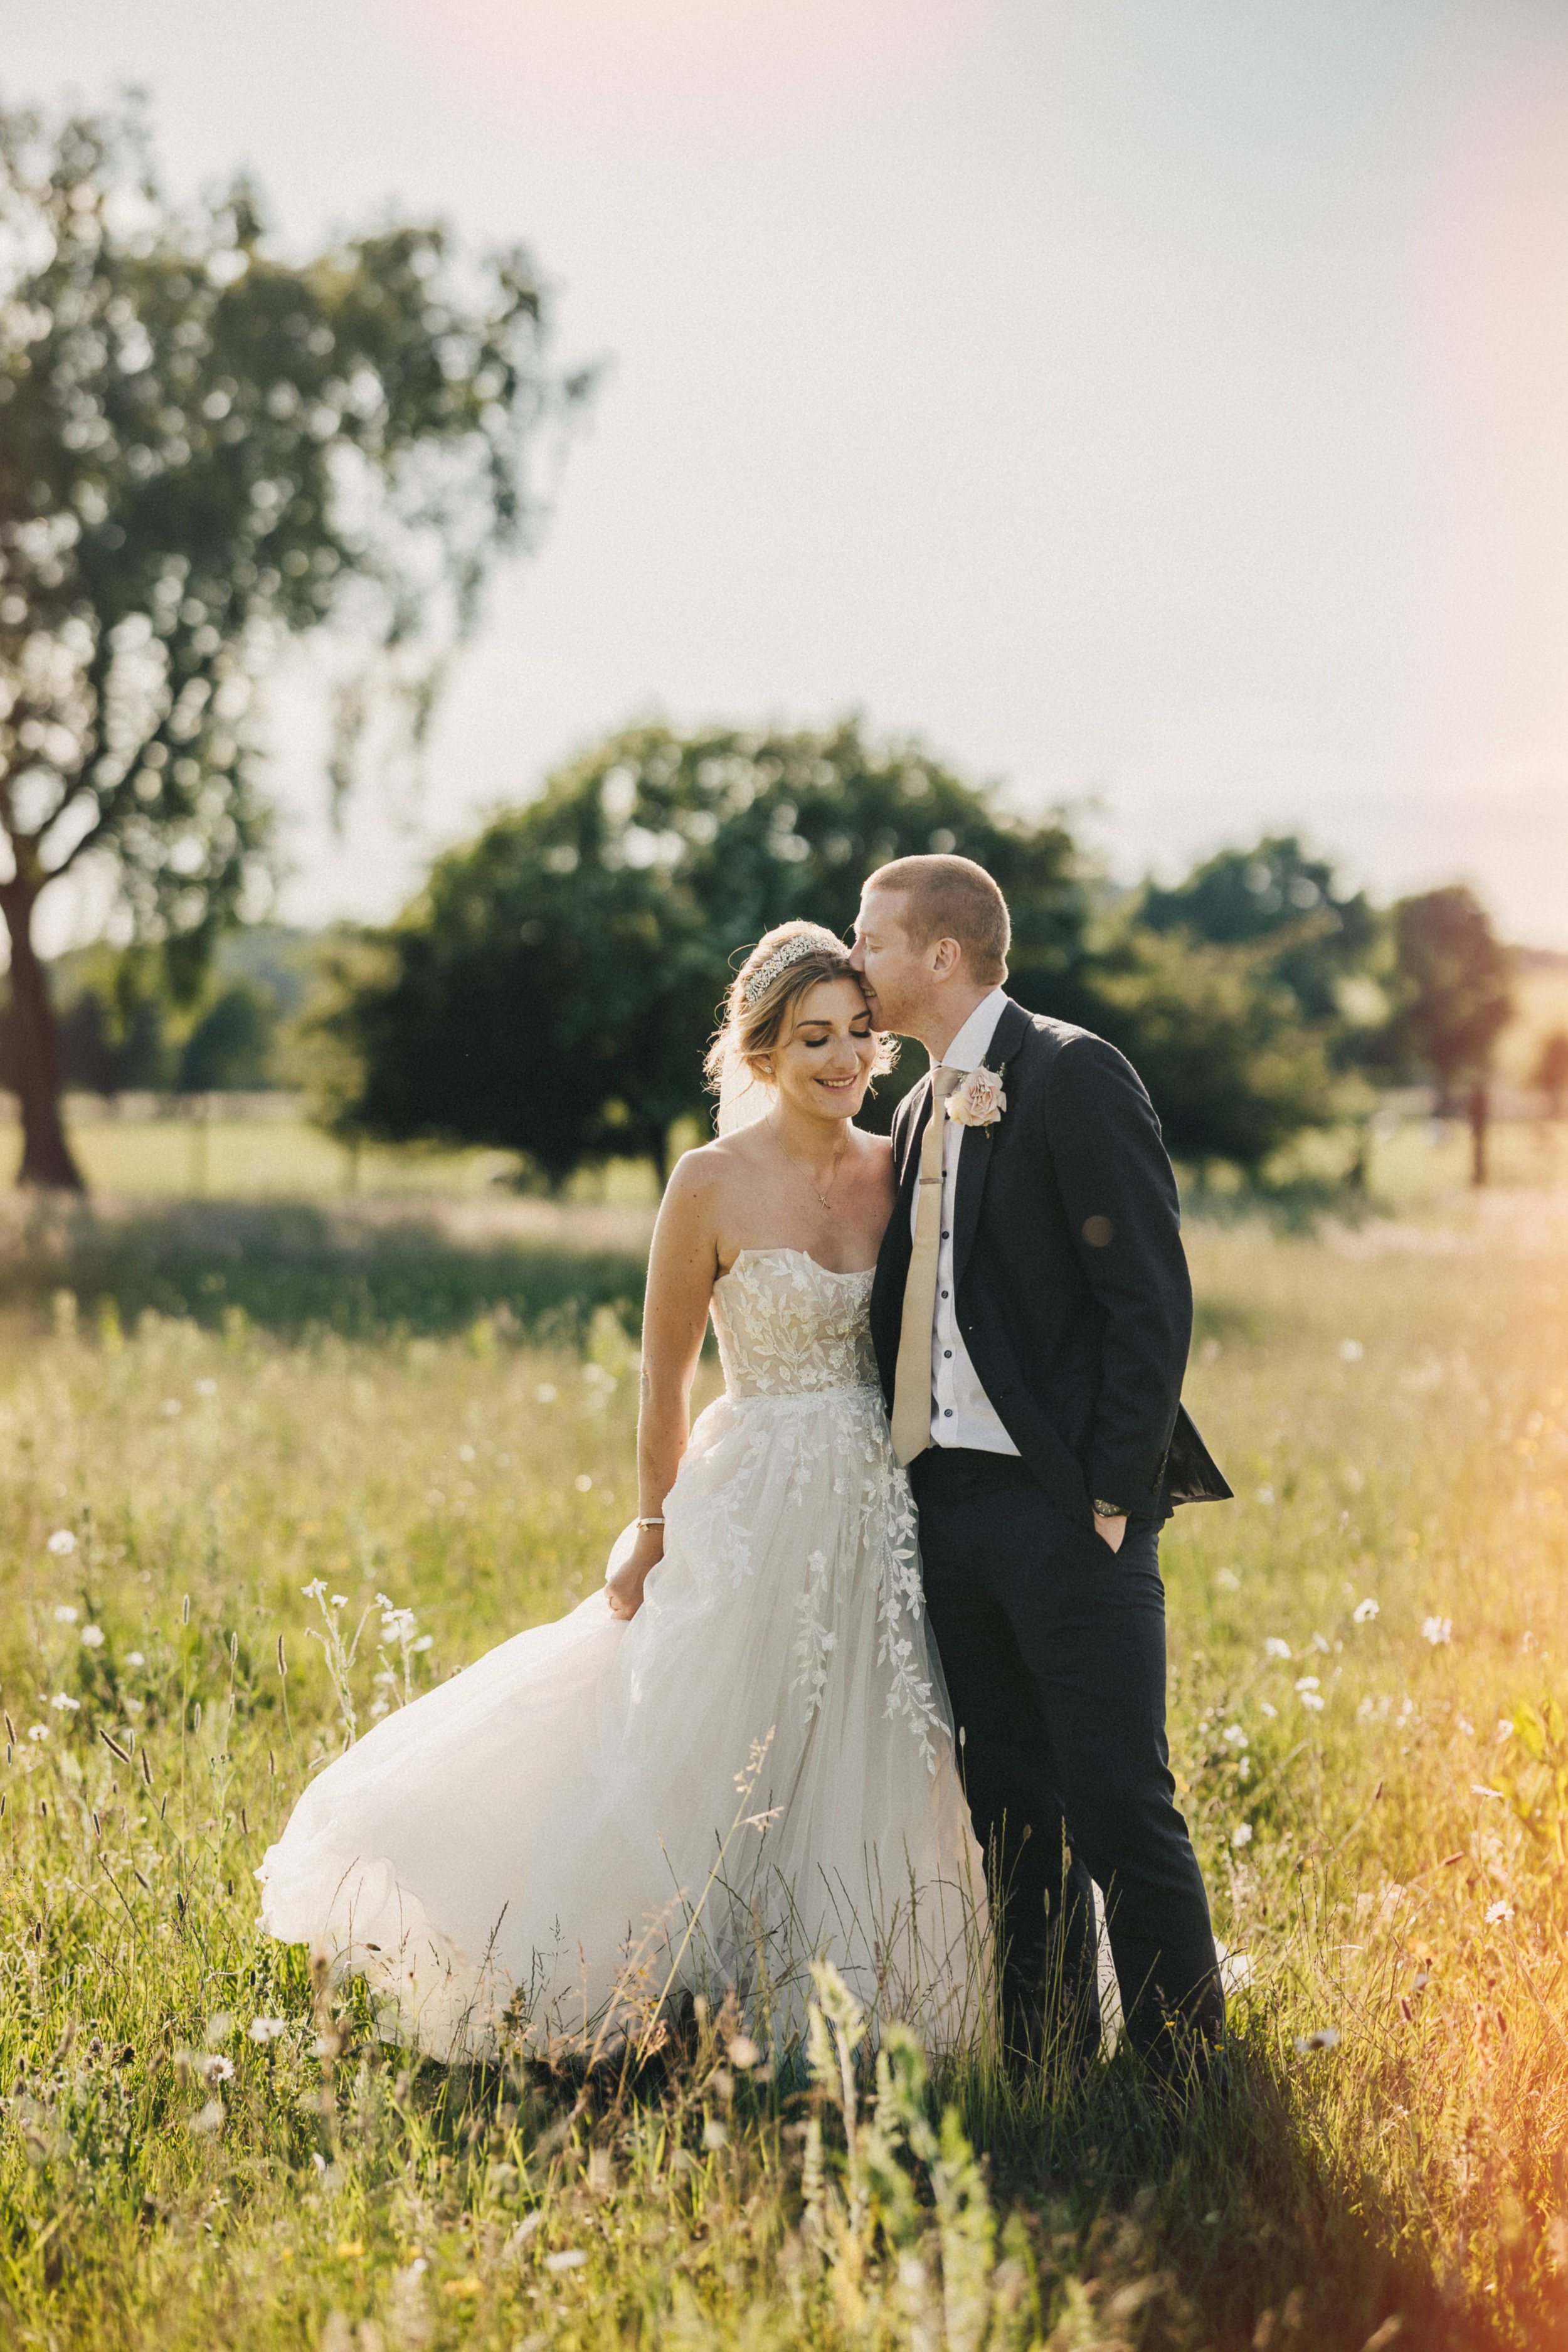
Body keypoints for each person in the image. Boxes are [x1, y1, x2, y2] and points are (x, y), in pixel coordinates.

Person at [257, 923, 983, 2061]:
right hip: (754, 1495)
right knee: (704, 1731)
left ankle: (875, 1976)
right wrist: (651, 1525)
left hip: (887, 1502)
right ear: (759, 1051)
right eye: (812, 1038)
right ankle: (656, 1975)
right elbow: (665, 1377)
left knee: (882, 1736)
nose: (843, 1059)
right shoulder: (707, 1184)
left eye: (857, 1035)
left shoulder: (899, 1166)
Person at [850, 854, 1232, 2085]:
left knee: (1120, 1807)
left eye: (870, 940)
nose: (855, 961)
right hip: (949, 1509)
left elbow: (1149, 1302)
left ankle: (1179, 2078)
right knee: (1009, 1816)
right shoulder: (912, 1106)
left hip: (1071, 1513)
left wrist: (1112, 1496)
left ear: (941, 956)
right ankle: (1050, 2061)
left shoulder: (1071, 1072)